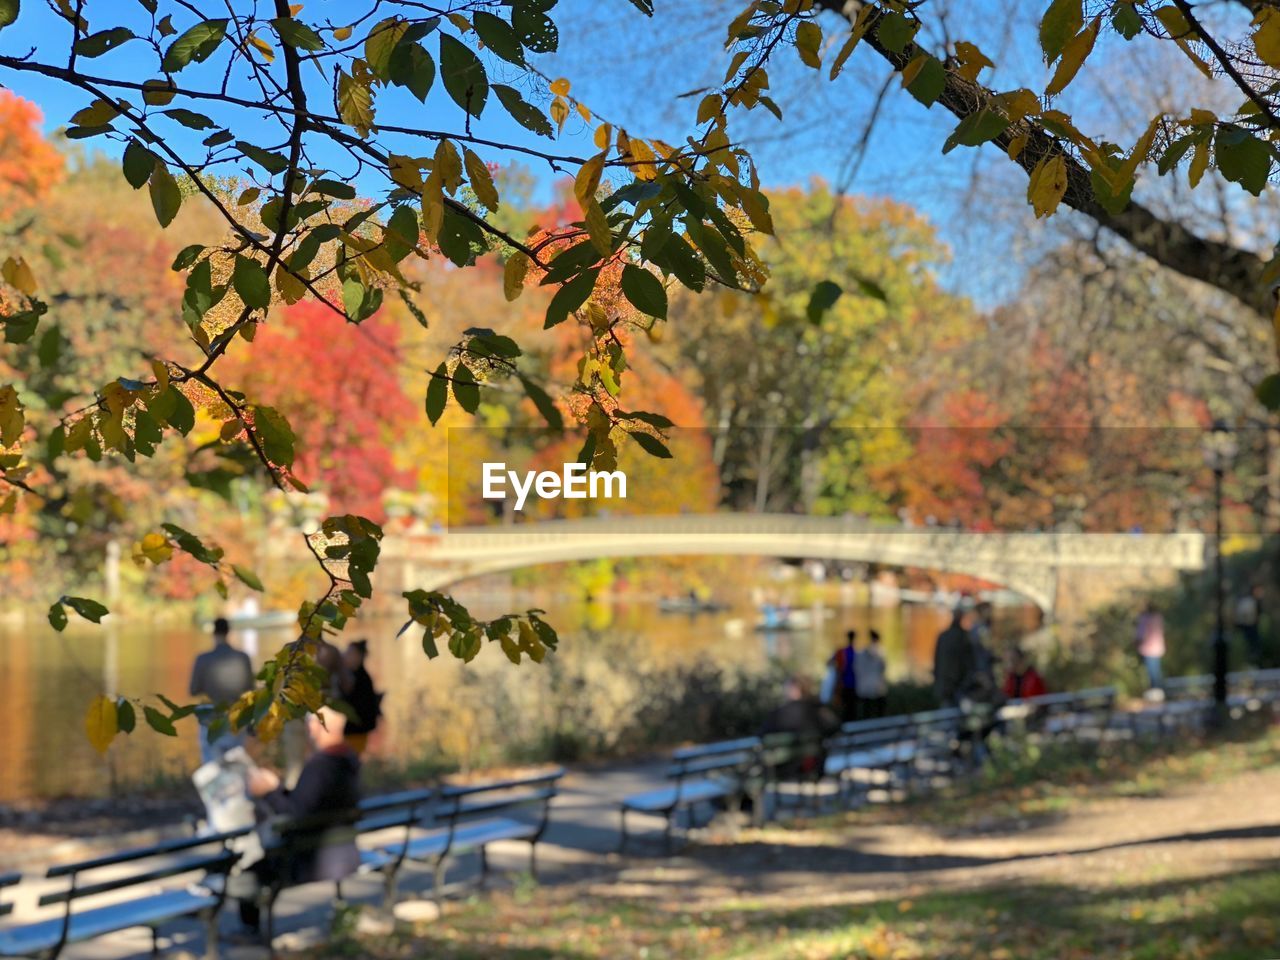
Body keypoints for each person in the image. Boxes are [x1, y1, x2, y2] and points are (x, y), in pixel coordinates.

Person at [232, 706, 361, 941]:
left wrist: (268, 792)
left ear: (326, 727)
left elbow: (293, 815)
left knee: (248, 871)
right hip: (343, 853)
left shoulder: (321, 765)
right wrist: (277, 787)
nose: (309, 726)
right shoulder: (348, 760)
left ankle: (249, 933)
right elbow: (307, 802)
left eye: (314, 721)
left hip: (310, 860)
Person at [189, 617, 255, 764]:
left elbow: (193, 690)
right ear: (228, 632)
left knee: (212, 766)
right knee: (235, 765)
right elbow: (251, 690)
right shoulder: (243, 658)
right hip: (236, 718)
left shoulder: (202, 659)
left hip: (210, 718)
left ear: (214, 633)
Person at [761, 676, 840, 782]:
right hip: (815, 769)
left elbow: (761, 736)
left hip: (785, 773)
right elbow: (835, 728)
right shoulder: (818, 710)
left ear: (793, 689)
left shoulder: (778, 714)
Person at [340, 640, 383, 755]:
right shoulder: (355, 676)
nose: (345, 656)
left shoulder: (361, 679)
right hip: (355, 730)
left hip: (357, 731)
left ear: (359, 656)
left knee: (352, 762)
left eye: (349, 653)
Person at [933, 607, 976, 708]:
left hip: (945, 686)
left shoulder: (944, 636)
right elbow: (969, 663)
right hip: (958, 688)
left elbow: (937, 661)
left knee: (947, 716)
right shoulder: (964, 637)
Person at [820, 631, 860, 723]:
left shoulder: (841, 652)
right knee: (852, 709)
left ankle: (845, 725)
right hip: (853, 684)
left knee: (845, 708)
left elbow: (828, 662)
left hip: (842, 684)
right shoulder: (856, 653)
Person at [855, 631, 888, 719]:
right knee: (879, 712)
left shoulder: (861, 652)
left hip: (865, 687)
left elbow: (856, 668)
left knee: (867, 712)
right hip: (877, 687)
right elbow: (883, 668)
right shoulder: (881, 652)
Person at [1136, 601, 1166, 697]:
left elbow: (1141, 633)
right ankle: (1158, 691)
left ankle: (1155, 691)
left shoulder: (1145, 618)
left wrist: (1137, 642)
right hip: (1157, 648)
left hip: (1148, 648)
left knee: (1151, 671)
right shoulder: (1158, 617)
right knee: (1156, 671)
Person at [1235, 584, 1264, 667]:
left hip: (1251, 627)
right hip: (1247, 627)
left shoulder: (1255, 601)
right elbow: (1244, 614)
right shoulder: (1249, 601)